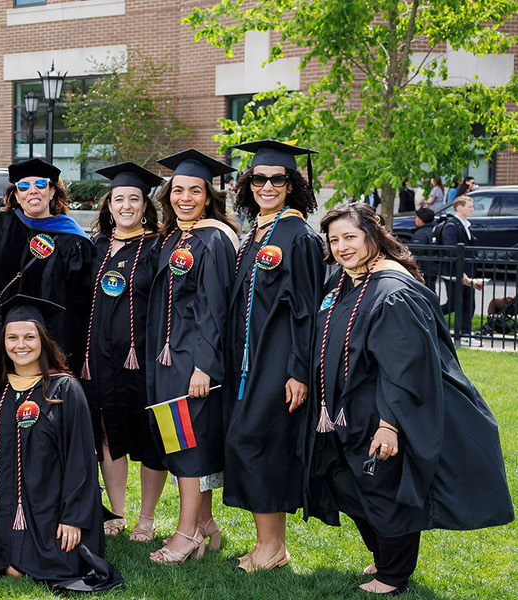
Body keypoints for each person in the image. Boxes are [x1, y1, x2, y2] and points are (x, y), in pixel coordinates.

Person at [307, 204, 512, 595]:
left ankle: (393, 575)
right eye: (334, 240)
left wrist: (389, 425)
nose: (341, 246)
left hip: (379, 410)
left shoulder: (392, 290)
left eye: (350, 237)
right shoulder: (348, 281)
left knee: (383, 489)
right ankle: (384, 557)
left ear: (372, 235)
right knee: (349, 485)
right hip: (345, 409)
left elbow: (405, 366)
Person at [222, 140, 326, 571]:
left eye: (277, 179)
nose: (267, 185)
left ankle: (270, 547)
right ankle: (272, 545)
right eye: (259, 178)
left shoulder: (298, 236)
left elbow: (306, 309)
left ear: (291, 184)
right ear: (248, 184)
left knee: (252, 442)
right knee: (258, 444)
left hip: (279, 359)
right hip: (249, 360)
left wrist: (298, 370)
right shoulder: (256, 232)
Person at [0, 293, 122, 592]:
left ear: (43, 340)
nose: (20, 345)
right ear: (3, 342)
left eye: (29, 337)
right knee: (7, 565)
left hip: (54, 512)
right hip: (10, 511)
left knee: (60, 563)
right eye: (12, 338)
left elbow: (81, 459)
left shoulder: (64, 389)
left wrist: (74, 519)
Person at [146, 149, 239, 564]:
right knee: (180, 438)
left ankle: (186, 537)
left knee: (187, 446)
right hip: (170, 357)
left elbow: (213, 307)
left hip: (191, 360)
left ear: (208, 196)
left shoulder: (213, 238)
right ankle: (207, 526)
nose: (185, 197)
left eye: (194, 191)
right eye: (177, 189)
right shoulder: (178, 236)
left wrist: (204, 364)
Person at [79, 162, 167, 543]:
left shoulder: (158, 246)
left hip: (143, 358)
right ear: (109, 205)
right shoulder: (94, 246)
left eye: (134, 198)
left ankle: (146, 518)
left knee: (150, 435)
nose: (127, 205)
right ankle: (116, 513)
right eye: (119, 199)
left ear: (145, 205)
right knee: (107, 432)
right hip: (98, 357)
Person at [0, 158, 93, 364]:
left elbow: (83, 299)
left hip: (58, 336)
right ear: (17, 195)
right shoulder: (1, 227)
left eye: (40, 184)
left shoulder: (73, 238)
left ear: (52, 191)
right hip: (12, 336)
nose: (33, 190)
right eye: (24, 186)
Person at [441, 196, 482, 336]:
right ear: (459, 208)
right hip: (455, 272)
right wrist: (461, 272)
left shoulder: (465, 225)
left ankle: (465, 333)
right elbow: (451, 250)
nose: (472, 209)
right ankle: (430, 318)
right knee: (454, 304)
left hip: (467, 272)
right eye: (469, 206)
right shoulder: (451, 226)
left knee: (469, 304)